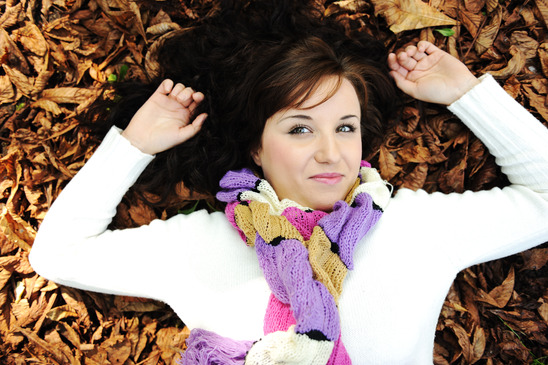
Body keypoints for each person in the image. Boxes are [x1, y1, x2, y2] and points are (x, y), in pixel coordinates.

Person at [29, 3, 548, 364]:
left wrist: (467, 94)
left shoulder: (415, 227)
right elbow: (58, 254)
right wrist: (135, 144)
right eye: (300, 128)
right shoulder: (197, 244)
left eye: (345, 127)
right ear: (256, 146)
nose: (330, 152)